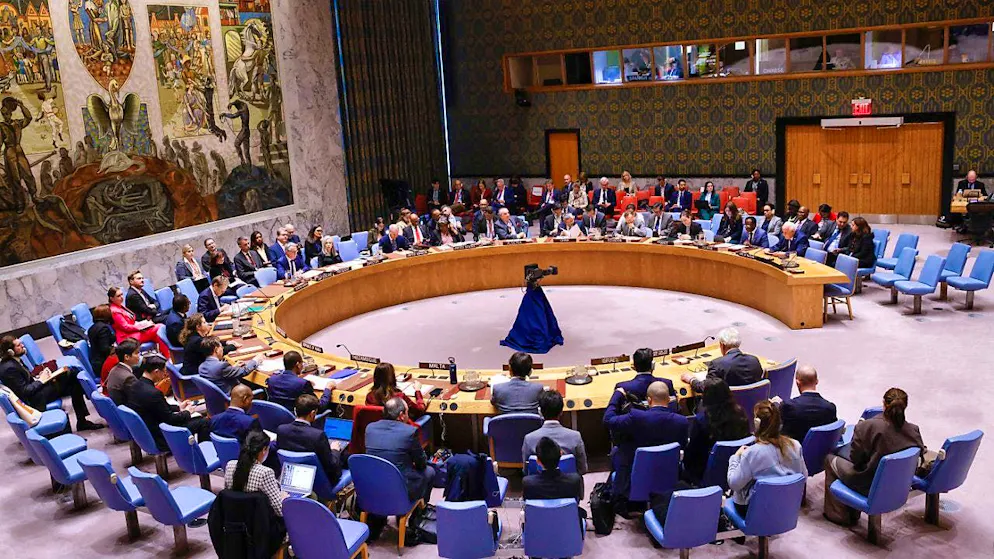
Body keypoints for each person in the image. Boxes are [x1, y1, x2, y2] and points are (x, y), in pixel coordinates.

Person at [825, 387, 925, 525]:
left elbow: (856, 459)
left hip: (869, 484)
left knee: (830, 459)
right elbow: (921, 456)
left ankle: (838, 515)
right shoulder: (913, 430)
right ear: (905, 406)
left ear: (883, 404)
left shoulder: (866, 426)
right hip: (899, 485)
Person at [604, 381, 689, 514]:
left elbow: (608, 420)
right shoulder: (682, 422)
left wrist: (617, 396)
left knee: (617, 452)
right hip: (668, 474)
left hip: (635, 476)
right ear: (668, 399)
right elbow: (683, 445)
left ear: (648, 400)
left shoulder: (636, 417)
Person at [0, 335, 101, 431]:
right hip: (34, 400)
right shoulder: (9, 368)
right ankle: (84, 417)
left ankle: (83, 419)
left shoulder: (14, 361)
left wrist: (38, 377)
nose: (22, 346)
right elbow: (25, 391)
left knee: (71, 378)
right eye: (18, 345)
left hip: (36, 392)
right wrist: (41, 380)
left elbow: (25, 380)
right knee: (73, 377)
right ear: (10, 351)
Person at [727, 401, 807, 514]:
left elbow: (734, 483)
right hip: (786, 505)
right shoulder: (796, 445)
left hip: (755, 509)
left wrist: (735, 457)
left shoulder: (751, 453)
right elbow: (803, 476)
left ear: (756, 423)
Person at [125, 354, 209, 451]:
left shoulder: (135, 385)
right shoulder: (154, 393)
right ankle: (202, 454)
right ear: (156, 372)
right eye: (164, 372)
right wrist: (187, 412)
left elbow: (159, 407)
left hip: (147, 429)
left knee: (197, 418)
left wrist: (179, 407)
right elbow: (171, 419)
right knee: (204, 422)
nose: (165, 375)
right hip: (161, 435)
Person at [365, 397, 436, 503]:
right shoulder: (409, 432)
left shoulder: (370, 428)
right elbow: (421, 463)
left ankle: (378, 518)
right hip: (400, 488)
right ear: (402, 415)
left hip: (374, 485)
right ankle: (419, 512)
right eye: (407, 412)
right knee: (429, 472)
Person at [682, 380, 750, 484]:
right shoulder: (741, 414)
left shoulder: (701, 421)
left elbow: (691, 455)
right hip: (737, 469)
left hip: (705, 473)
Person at [276, 393, 345, 484]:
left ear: (295, 411)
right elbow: (332, 466)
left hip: (292, 477)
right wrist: (335, 450)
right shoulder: (318, 436)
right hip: (319, 481)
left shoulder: (281, 430)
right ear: (312, 413)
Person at [521, 390, 588, 474]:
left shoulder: (529, 439)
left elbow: (527, 471)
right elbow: (582, 470)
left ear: (540, 412)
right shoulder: (575, 436)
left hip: (539, 485)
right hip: (569, 485)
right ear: (561, 412)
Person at [682, 327, 763, 393]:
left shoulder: (717, 364)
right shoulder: (754, 361)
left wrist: (691, 379)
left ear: (722, 345)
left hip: (726, 410)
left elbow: (705, 389)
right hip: (753, 406)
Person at [224, 430, 284, 516]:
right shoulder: (265, 473)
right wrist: (283, 497)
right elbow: (280, 511)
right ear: (264, 450)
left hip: (235, 519)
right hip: (260, 523)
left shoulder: (230, 465)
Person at [522, 438, 585, 517]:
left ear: (537, 461)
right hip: (568, 527)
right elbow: (578, 500)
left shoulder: (528, 483)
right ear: (561, 454)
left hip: (538, 527)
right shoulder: (574, 480)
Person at [779, 365, 837, 443]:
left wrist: (776, 405)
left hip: (792, 453)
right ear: (817, 381)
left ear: (797, 383)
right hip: (820, 452)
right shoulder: (830, 408)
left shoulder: (788, 406)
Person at [109, 286, 170, 356]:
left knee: (158, 335)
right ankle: (167, 357)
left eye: (122, 294)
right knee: (159, 327)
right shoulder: (114, 311)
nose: (122, 297)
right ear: (112, 298)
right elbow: (126, 327)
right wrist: (142, 326)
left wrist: (143, 323)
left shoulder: (120, 306)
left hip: (133, 331)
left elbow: (132, 321)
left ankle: (164, 358)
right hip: (127, 337)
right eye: (118, 296)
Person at [267, 351, 333, 412]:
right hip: (294, 420)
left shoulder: (272, 379)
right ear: (298, 364)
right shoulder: (303, 384)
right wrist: (328, 389)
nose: (303, 365)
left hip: (274, 418)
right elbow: (320, 406)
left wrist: (299, 379)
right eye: (302, 363)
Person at [104, 338, 141, 405]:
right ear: (126, 357)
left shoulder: (114, 369)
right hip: (129, 409)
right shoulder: (128, 378)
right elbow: (139, 399)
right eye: (136, 353)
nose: (139, 356)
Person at [87, 304, 117, 376]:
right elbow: (105, 349)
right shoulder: (103, 329)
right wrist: (120, 350)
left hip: (97, 362)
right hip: (103, 365)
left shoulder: (92, 328)